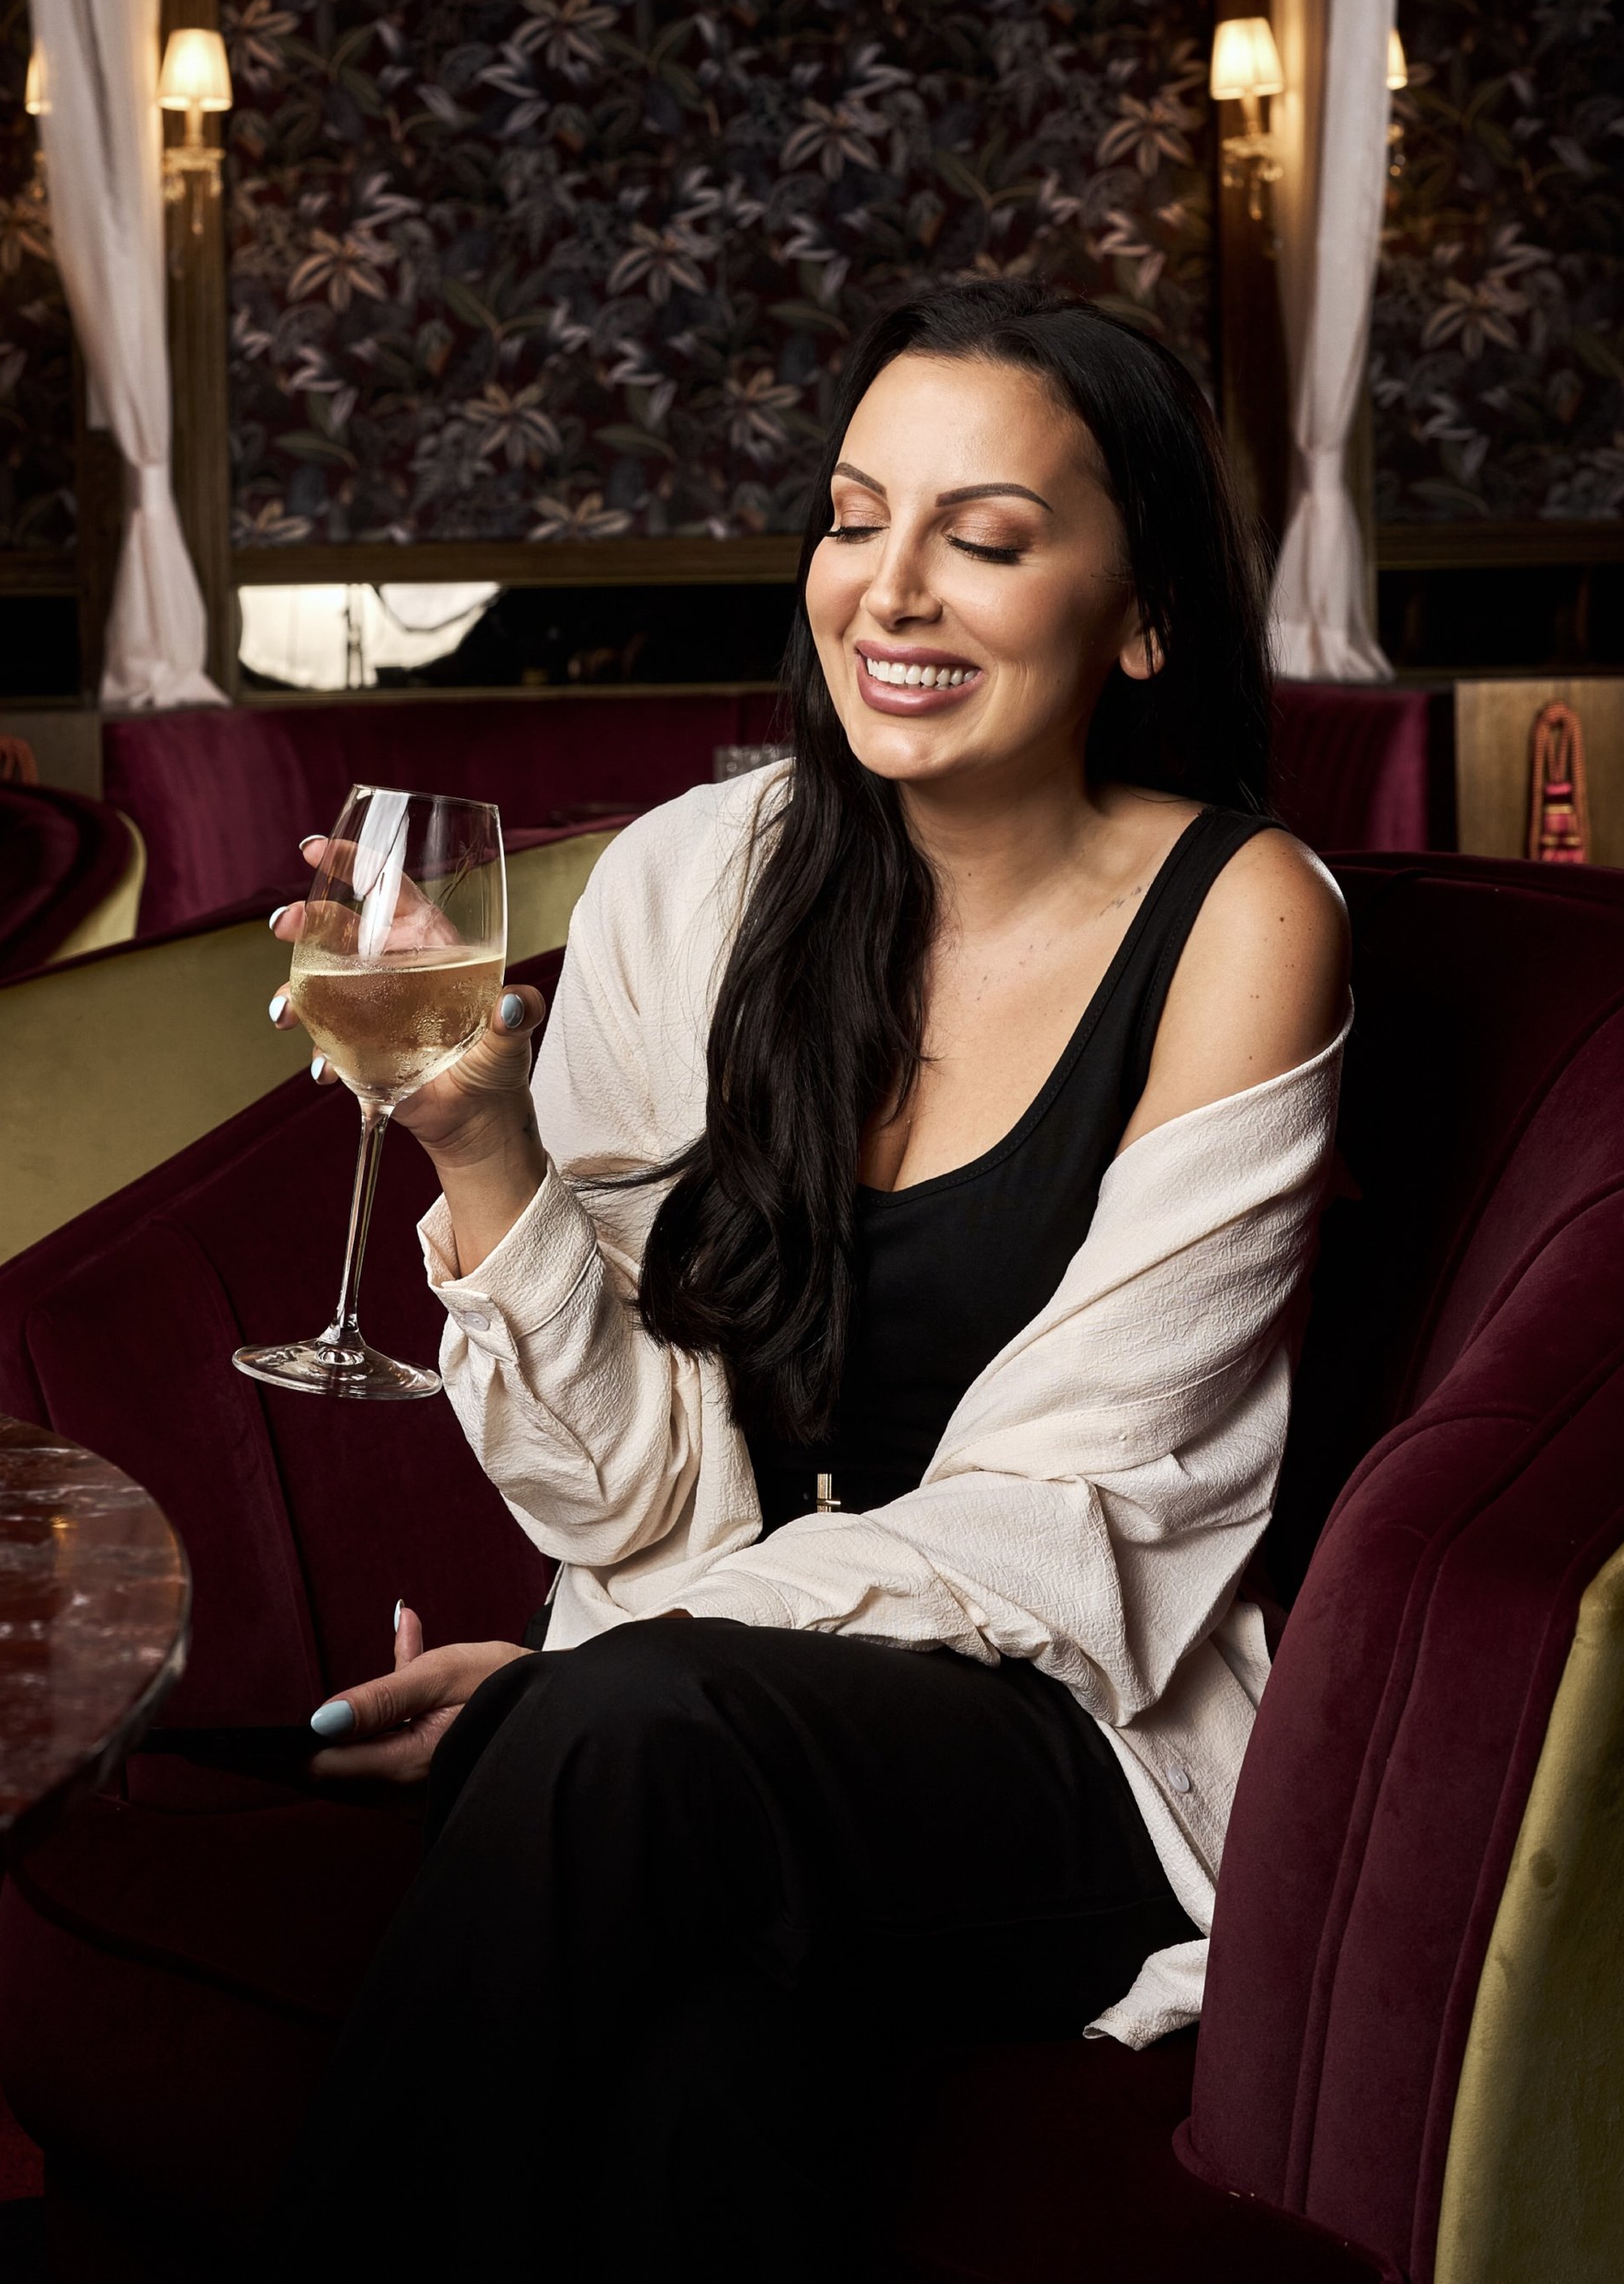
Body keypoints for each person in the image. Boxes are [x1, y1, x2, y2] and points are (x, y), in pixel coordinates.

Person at [265, 279, 1350, 2279]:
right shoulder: (698, 877)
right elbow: (616, 1498)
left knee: (624, 1742)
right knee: (694, 2066)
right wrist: (478, 1141)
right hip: (704, 1737)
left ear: (1139, 613)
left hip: (1065, 1748)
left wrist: (569, 1693)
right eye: (855, 517)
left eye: (986, 537)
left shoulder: (1241, 917)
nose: (890, 591)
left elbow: (1060, 1529)